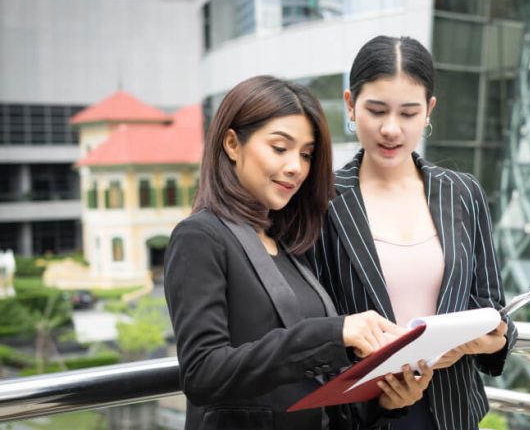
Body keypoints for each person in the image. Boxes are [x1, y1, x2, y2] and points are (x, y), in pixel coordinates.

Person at [164, 75, 433, 430]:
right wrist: (332, 333)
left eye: (306, 154)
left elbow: (308, 393)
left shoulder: (289, 245)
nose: (296, 167)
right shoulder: (200, 237)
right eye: (280, 148)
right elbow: (203, 373)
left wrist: (386, 401)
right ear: (232, 143)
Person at [311, 36, 518, 430]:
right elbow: (311, 326)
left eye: (408, 113)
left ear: (428, 111)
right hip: (364, 416)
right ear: (350, 104)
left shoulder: (462, 192)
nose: (391, 129)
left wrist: (490, 340)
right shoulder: (322, 200)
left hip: (452, 412)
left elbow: (493, 308)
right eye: (376, 110)